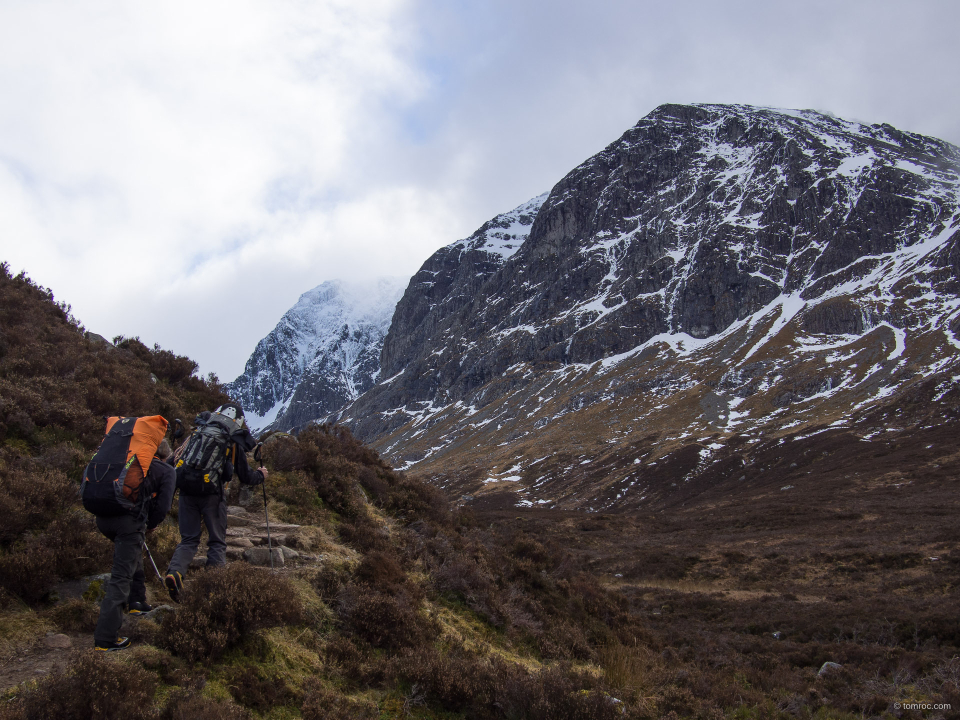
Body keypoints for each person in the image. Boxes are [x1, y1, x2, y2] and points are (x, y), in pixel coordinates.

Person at [164, 402, 268, 601]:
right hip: (212, 494)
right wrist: (261, 475)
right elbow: (245, 476)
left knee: (188, 539)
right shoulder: (232, 439)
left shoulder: (198, 430)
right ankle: (213, 590)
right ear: (238, 421)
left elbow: (174, 460)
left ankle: (175, 572)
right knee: (217, 542)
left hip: (186, 491)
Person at [93, 439, 176, 652]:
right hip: (128, 523)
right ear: (165, 455)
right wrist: (149, 525)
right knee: (121, 575)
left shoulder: (127, 460)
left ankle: (137, 601)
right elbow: (163, 507)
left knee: (131, 554)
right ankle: (106, 638)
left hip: (102, 518)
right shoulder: (165, 469)